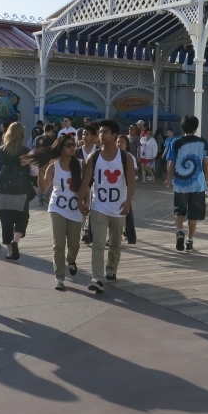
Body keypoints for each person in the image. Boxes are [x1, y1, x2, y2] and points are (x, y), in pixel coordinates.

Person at [77, 120, 135, 293]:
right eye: (100, 132)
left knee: (116, 243)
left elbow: (131, 182)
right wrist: (80, 201)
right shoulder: (93, 157)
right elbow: (86, 180)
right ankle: (97, 277)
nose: (101, 135)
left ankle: (111, 269)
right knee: (98, 243)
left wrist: (128, 202)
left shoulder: (125, 158)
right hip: (98, 207)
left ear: (115, 135)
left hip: (118, 208)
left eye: (106, 132)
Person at [27, 136, 84, 290]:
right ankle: (59, 277)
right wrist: (40, 171)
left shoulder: (80, 165)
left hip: (75, 210)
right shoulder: (54, 167)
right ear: (61, 148)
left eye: (73, 145)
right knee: (58, 245)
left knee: (74, 245)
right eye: (68, 145)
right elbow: (44, 188)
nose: (72, 147)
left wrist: (87, 205)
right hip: (57, 208)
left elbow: (86, 188)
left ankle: (70, 260)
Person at [165, 115, 208, 252]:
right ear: (196, 127)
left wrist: (168, 178)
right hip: (197, 183)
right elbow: (206, 163)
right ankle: (190, 241)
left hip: (180, 182)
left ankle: (180, 231)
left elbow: (171, 163)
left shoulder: (175, 142)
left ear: (182, 127)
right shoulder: (202, 142)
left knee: (179, 210)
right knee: (194, 214)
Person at [0, 122, 34, 261]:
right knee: (22, 217)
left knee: (6, 220)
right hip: (21, 190)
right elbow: (34, 172)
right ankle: (16, 241)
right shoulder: (27, 151)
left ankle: (10, 251)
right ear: (22, 135)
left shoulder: (0, 150)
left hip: (3, 190)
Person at [117, 135, 138, 244]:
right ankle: (117, 235)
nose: (119, 144)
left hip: (124, 189)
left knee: (126, 213)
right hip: (114, 189)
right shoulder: (112, 156)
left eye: (122, 142)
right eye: (118, 141)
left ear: (126, 144)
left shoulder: (129, 157)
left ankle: (128, 235)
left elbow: (131, 176)